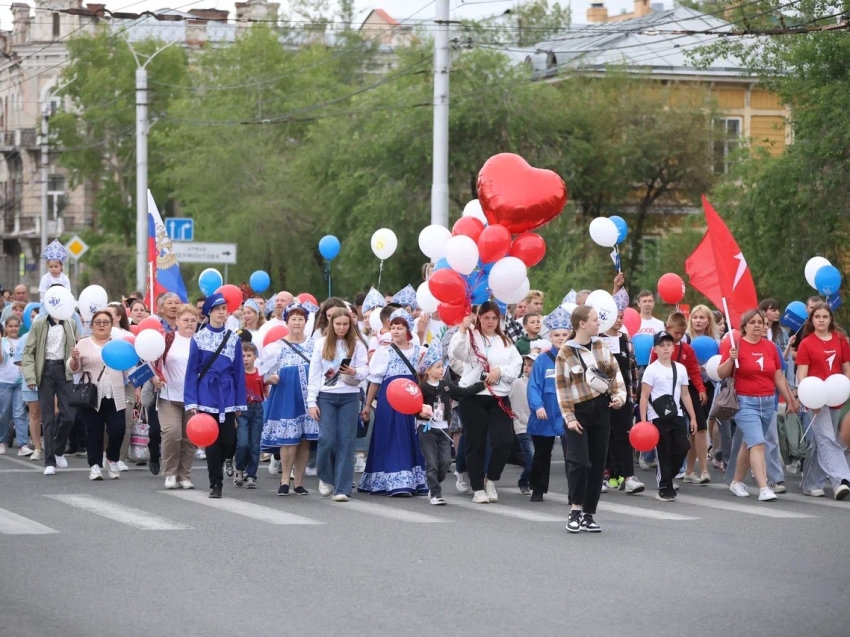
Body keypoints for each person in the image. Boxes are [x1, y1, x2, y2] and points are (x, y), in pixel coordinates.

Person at [556, 305, 627, 534]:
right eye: (595, 320)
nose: (599, 323)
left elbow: (615, 376)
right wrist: (569, 417)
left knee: (597, 463)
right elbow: (562, 389)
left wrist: (619, 397)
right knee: (579, 461)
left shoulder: (601, 345)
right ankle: (575, 510)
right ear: (581, 324)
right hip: (578, 412)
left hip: (601, 411)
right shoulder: (566, 352)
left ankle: (589, 514)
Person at [718, 309, 799, 502]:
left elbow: (778, 376)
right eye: (752, 322)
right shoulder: (736, 345)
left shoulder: (771, 347)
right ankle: (764, 487)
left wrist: (790, 399)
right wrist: (731, 359)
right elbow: (721, 374)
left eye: (761, 322)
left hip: (768, 402)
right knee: (759, 443)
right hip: (745, 402)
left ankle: (736, 481)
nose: (757, 325)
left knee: (750, 443)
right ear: (744, 326)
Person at [449, 301, 523, 504]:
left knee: (503, 441)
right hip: (473, 395)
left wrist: (500, 371)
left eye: (494, 318)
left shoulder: (505, 340)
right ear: (479, 318)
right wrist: (463, 329)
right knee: (476, 442)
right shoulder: (471, 337)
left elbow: (516, 365)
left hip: (498, 396)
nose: (490, 322)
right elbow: (457, 353)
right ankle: (477, 487)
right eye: (486, 317)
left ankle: (491, 478)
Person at [359, 309, 428, 496]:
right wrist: (367, 404)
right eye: (393, 327)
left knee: (410, 436)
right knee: (390, 436)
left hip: (411, 398)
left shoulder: (417, 351)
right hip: (390, 400)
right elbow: (375, 380)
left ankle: (412, 479)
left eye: (400, 327)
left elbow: (423, 376)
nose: (396, 331)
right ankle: (391, 480)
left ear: (408, 330)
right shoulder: (383, 352)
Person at [184, 293, 247, 499]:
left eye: (224, 309)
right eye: (218, 309)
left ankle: (224, 461)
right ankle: (215, 483)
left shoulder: (233, 337)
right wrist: (192, 400)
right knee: (211, 441)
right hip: (206, 394)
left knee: (229, 440)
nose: (222, 312)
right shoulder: (198, 338)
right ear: (209, 312)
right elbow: (192, 371)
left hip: (227, 394)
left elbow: (238, 371)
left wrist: (239, 401)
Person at [307, 307, 368, 502]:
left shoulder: (357, 344)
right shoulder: (321, 344)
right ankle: (325, 476)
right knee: (326, 440)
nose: (341, 328)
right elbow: (314, 373)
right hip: (326, 396)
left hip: (349, 396)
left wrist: (354, 372)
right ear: (331, 324)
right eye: (338, 324)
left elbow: (365, 369)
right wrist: (311, 401)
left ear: (350, 325)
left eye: (345, 324)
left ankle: (341, 488)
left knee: (346, 441)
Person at [416, 343, 484, 505]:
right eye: (438, 367)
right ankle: (435, 492)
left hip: (443, 429)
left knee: (445, 461)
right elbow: (413, 406)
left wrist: (482, 385)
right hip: (426, 429)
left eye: (442, 366)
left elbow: (463, 392)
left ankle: (434, 483)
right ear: (428, 370)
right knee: (431, 462)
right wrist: (420, 412)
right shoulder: (422, 388)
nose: (441, 369)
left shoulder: (446, 386)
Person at [795, 302, 850, 500]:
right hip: (815, 397)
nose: (821, 320)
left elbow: (846, 368)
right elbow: (802, 375)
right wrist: (809, 398)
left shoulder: (840, 339)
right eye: (817, 316)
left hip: (837, 394)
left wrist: (846, 388)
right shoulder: (806, 343)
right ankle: (841, 480)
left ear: (830, 319)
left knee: (823, 442)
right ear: (812, 320)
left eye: (824, 317)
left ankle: (811, 483)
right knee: (827, 438)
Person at [22, 288, 79, 476]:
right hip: (45, 371)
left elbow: (76, 348)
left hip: (65, 371)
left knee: (69, 416)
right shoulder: (39, 324)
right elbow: (29, 352)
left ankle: (59, 449)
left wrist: (76, 355)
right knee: (47, 418)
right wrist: (31, 377)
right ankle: (50, 461)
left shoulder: (71, 323)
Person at [261, 301, 316, 496]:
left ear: (306, 321)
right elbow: (261, 371)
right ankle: (285, 479)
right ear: (287, 321)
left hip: (308, 396)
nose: (297, 322)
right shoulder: (277, 347)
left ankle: (299, 481)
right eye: (293, 319)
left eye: (301, 319)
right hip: (287, 395)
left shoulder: (314, 345)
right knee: (288, 439)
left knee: (305, 439)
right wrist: (270, 378)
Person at [649, 312, 709, 484]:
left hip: (684, 389)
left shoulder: (687, 350)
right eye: (676, 333)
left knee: (698, 427)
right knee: (666, 436)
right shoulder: (657, 349)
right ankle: (667, 474)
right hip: (663, 394)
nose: (679, 337)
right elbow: (650, 374)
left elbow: (694, 372)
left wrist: (700, 389)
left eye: (682, 334)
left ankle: (699, 469)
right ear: (668, 329)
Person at [640, 331, 698, 502]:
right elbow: (644, 396)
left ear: (673, 347)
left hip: (677, 414)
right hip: (657, 416)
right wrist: (644, 422)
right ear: (655, 349)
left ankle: (669, 475)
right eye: (662, 345)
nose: (666, 348)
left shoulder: (680, 368)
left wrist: (693, 417)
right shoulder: (651, 370)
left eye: (668, 345)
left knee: (682, 447)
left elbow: (685, 395)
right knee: (663, 451)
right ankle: (664, 485)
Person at [527, 308, 572, 502]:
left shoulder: (574, 357)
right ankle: (538, 488)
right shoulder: (542, 360)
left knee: (572, 455)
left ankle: (575, 493)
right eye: (557, 335)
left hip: (568, 413)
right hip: (546, 411)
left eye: (564, 334)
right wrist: (537, 406)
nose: (560, 338)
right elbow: (533, 386)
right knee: (542, 453)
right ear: (550, 336)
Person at [152, 303, 199, 490]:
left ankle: (184, 475)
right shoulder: (167, 339)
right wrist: (154, 378)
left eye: (193, 321)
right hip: (169, 396)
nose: (189, 324)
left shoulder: (200, 342)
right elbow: (149, 361)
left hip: (194, 398)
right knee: (172, 433)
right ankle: (170, 472)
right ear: (177, 321)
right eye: (186, 320)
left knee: (190, 438)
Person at [599, 309, 644, 494]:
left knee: (624, 436)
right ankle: (602, 475)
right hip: (602, 396)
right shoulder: (598, 339)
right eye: (615, 317)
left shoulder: (626, 339)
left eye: (621, 317)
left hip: (623, 395)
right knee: (602, 436)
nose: (618, 320)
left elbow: (632, 369)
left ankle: (629, 477)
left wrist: (631, 396)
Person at [234, 342, 264, 489]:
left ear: (255, 357)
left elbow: (265, 391)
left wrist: (270, 381)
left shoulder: (260, 373)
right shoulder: (238, 374)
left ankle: (251, 474)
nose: (245, 359)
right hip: (241, 410)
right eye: (243, 356)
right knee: (243, 443)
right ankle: (239, 469)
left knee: (254, 445)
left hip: (257, 409)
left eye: (249, 355)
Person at [0, 316, 31, 456]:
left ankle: (23, 444)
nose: (13, 329)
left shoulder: (23, 341)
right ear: (6, 327)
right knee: (4, 413)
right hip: (4, 382)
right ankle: (2, 441)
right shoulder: (3, 341)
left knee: (20, 413)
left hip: (20, 382)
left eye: (16, 326)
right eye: (10, 326)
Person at [510, 354, 535, 495]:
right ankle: (524, 481)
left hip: (538, 426)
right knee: (532, 456)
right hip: (522, 426)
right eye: (525, 364)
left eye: (530, 365)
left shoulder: (540, 383)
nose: (526, 367)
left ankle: (531, 481)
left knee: (537, 458)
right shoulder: (517, 383)